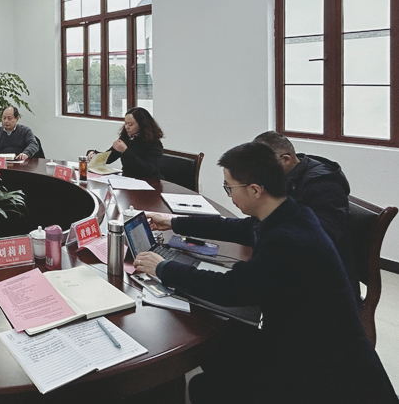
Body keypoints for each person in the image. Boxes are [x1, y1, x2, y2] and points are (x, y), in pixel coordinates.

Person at [134, 142, 396, 404]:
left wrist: (163, 267)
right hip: (305, 342)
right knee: (221, 346)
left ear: (255, 190)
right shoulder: (290, 213)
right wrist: (173, 222)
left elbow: (230, 289)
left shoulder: (287, 240)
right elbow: (237, 228)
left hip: (321, 371)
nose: (229, 195)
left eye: (229, 187)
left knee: (207, 385)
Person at [253, 130, 358, 294]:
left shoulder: (324, 185)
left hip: (325, 286)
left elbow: (317, 241)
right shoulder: (287, 177)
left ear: (286, 160)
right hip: (294, 266)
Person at [87, 107, 163, 178]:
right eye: (125, 123)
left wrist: (125, 151)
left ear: (142, 125)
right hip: (127, 178)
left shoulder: (154, 143)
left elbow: (146, 169)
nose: (127, 127)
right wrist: (93, 154)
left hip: (149, 180)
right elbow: (109, 158)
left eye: (130, 124)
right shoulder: (126, 138)